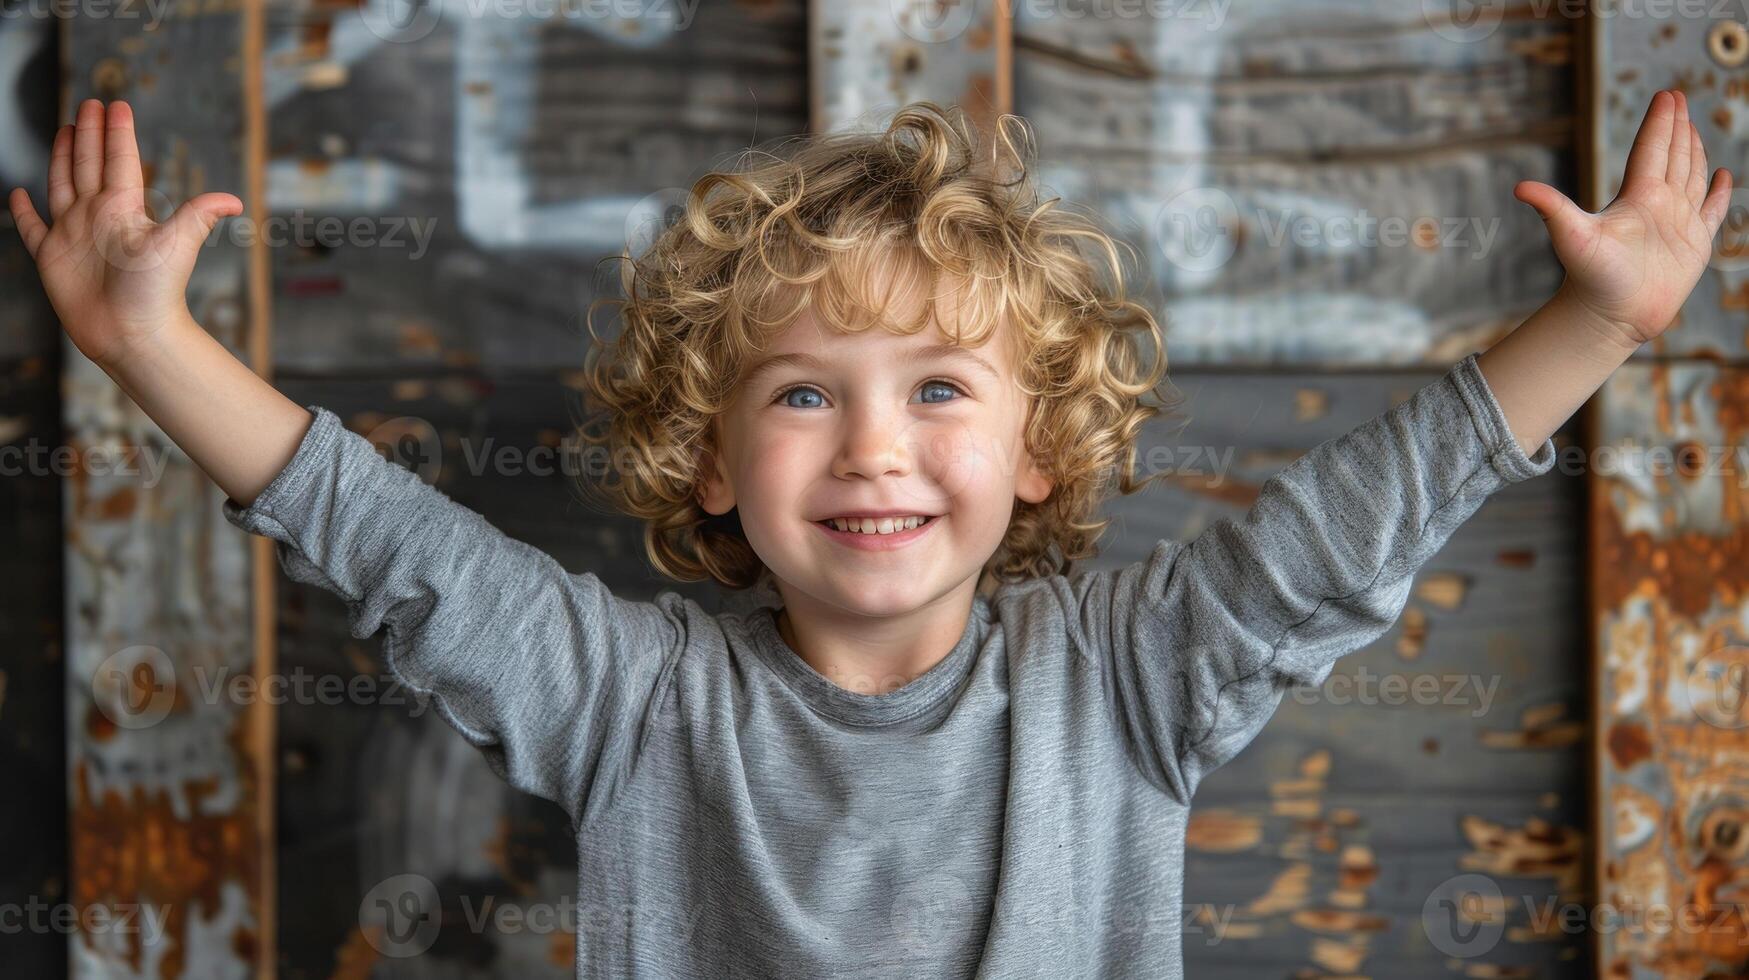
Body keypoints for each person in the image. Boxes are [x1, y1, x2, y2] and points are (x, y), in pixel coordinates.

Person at [10, 91, 1727, 978]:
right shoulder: (638, 702)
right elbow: (402, 553)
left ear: (1043, 450)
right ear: (708, 457)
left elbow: (1336, 537)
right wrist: (151, 342)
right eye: (804, 396)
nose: (874, 452)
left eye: (939, 392)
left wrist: (1594, 330)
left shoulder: (1122, 681)